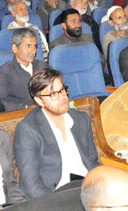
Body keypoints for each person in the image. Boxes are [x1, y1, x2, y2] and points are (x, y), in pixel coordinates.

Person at [14, 68, 101, 198]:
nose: (62, 97)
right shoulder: (28, 130)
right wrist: (57, 205)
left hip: (85, 188)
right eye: (53, 94)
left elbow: (92, 162)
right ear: (39, 101)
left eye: (62, 90)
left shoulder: (80, 119)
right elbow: (32, 185)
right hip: (53, 195)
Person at [0, 28, 48, 110]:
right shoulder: (2, 73)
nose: (33, 51)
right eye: (28, 46)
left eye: (35, 46)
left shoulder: (43, 67)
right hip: (20, 115)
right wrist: (26, 107)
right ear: (15, 48)